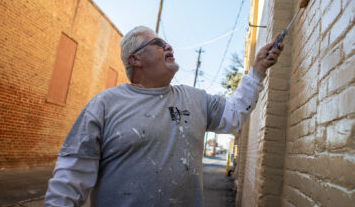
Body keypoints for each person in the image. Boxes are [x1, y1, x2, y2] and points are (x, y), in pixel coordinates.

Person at [44, 26, 283, 206]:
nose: (168, 47)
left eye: (166, 43)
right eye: (158, 43)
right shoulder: (104, 105)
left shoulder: (196, 100)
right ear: (134, 59)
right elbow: (70, 177)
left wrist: (258, 70)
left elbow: (233, 115)